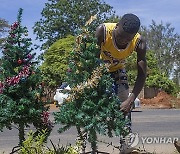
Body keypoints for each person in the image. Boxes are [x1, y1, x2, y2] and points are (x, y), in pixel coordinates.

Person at [95, 13, 147, 152]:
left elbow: (142, 75)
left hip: (118, 70)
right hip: (98, 71)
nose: (123, 41)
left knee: (125, 106)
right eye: (120, 36)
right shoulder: (103, 31)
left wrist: (130, 100)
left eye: (127, 39)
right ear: (116, 26)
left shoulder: (139, 42)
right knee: (90, 107)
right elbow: (90, 61)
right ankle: (83, 145)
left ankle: (126, 146)